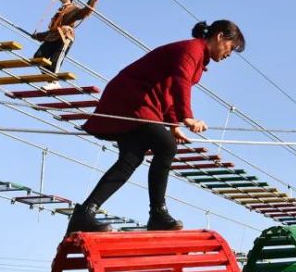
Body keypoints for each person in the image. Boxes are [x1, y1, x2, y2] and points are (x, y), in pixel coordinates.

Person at [68, 20, 245, 233]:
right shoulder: (192, 49)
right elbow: (179, 81)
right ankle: (158, 213)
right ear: (220, 36)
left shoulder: (197, 57)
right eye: (231, 47)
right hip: (132, 98)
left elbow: (168, 89)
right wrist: (187, 117)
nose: (229, 54)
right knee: (167, 146)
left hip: (141, 101)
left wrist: (173, 125)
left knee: (130, 159)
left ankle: (85, 213)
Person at [31, 0, 100, 76]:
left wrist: (92, 2)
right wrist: (38, 36)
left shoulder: (74, 8)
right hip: (52, 37)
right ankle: (50, 79)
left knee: (55, 60)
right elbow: (53, 30)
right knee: (38, 57)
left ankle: (52, 81)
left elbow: (85, 12)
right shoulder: (60, 10)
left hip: (65, 36)